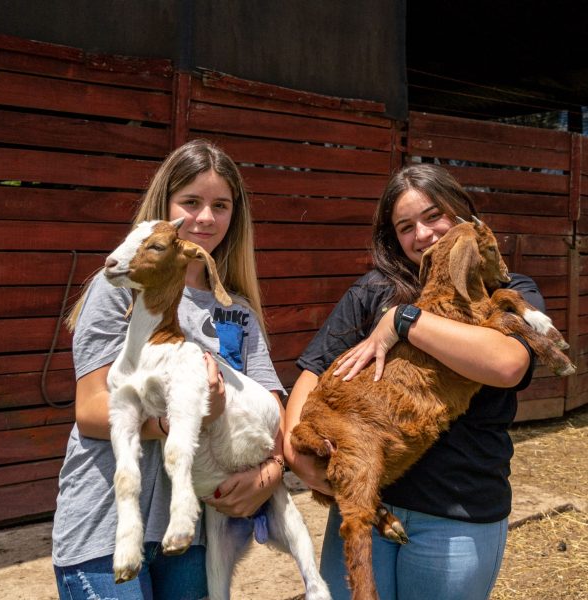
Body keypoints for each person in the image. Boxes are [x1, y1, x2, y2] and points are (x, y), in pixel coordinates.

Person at [284, 163, 545, 600]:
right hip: (370, 501)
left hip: (457, 514)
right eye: (405, 227)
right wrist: (298, 456)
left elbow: (507, 365)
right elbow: (313, 371)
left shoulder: (508, 288)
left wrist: (405, 321)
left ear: (462, 213)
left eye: (433, 216)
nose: (422, 234)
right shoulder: (373, 290)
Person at [52, 139, 286, 600]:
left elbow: (270, 408)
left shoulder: (236, 311)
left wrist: (271, 474)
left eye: (221, 205)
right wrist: (180, 418)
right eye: (191, 202)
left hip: (193, 533)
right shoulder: (121, 285)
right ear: (167, 205)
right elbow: (92, 410)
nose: (206, 218)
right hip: (105, 526)